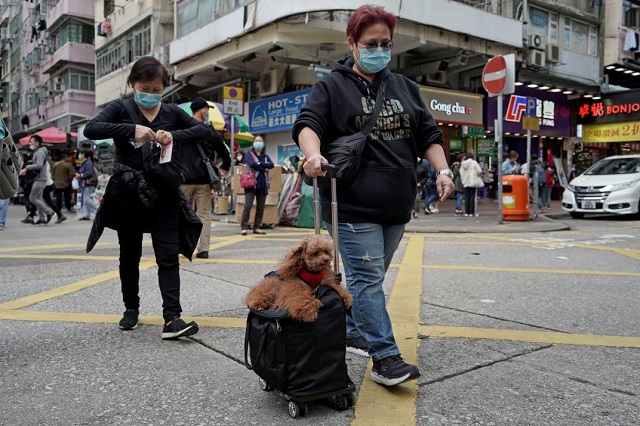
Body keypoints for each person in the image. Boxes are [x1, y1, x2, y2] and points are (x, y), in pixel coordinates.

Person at [292, 4, 454, 387]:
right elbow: (308, 124)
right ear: (353, 43)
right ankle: (385, 358)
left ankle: (348, 327)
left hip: (397, 205)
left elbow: (428, 135)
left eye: (385, 43)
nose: (379, 49)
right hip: (351, 202)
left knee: (373, 275)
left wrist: (443, 169)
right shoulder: (331, 86)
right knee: (367, 279)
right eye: (371, 43)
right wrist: (313, 153)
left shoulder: (404, 87)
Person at [83, 56, 212, 339]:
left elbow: (205, 130)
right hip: (127, 193)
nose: (151, 94)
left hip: (163, 193)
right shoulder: (120, 108)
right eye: (145, 87)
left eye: (157, 89)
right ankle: (131, 309)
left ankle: (173, 318)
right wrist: (131, 129)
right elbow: (91, 129)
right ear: (132, 84)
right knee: (129, 255)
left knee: (168, 256)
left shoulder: (172, 112)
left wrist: (173, 134)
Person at [180, 97, 232, 259]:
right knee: (204, 214)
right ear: (202, 110)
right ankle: (203, 249)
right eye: (207, 109)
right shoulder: (210, 131)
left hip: (184, 178)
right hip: (204, 179)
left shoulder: (181, 129)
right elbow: (225, 152)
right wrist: (225, 167)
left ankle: (178, 246)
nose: (208, 112)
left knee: (179, 213)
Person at [240, 135, 274, 235]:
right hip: (251, 184)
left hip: (262, 184)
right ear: (253, 143)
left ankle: (257, 227)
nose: (258, 142)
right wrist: (263, 167)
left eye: (260, 141)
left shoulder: (266, 157)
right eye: (256, 141)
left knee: (260, 207)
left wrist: (260, 164)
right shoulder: (249, 154)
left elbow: (271, 165)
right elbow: (252, 164)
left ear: (263, 144)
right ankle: (244, 227)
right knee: (248, 205)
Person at [19, 135, 54, 225]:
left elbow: (39, 165)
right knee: (38, 198)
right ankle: (42, 218)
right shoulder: (40, 151)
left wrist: (27, 167)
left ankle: (49, 212)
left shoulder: (39, 152)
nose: (30, 143)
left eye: (32, 141)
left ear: (37, 142)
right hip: (40, 178)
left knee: (32, 198)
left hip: (40, 178)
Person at [75, 151, 98, 221]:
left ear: (83, 154)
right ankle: (86, 215)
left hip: (88, 184)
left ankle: (99, 211)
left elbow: (89, 173)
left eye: (80, 154)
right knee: (85, 200)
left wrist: (80, 175)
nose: (79, 155)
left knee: (86, 199)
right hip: (84, 184)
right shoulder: (85, 163)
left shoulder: (88, 163)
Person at [460, 152, 483, 217]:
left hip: (465, 182)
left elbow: (461, 172)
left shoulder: (463, 164)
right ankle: (471, 213)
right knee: (472, 197)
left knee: (466, 197)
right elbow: (479, 171)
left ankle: (466, 212)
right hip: (472, 182)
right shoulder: (474, 162)